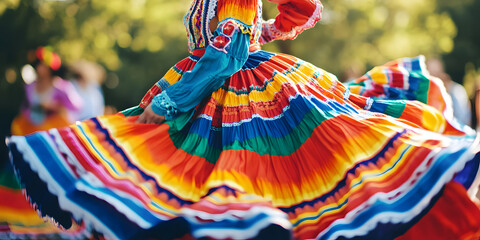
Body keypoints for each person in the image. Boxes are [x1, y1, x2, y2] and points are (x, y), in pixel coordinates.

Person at [6, 1, 480, 240]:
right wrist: (267, 29)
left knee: (252, 181)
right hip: (223, 77)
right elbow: (287, 14)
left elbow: (225, 53)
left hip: (233, 84)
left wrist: (169, 103)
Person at [10, 47, 83, 136]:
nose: (39, 68)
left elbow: (77, 106)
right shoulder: (30, 86)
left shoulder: (61, 86)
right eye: (38, 64)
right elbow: (24, 109)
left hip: (54, 131)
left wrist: (56, 106)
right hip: (32, 128)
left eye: (42, 65)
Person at [426, 57, 472, 126]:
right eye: (431, 75)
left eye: (436, 74)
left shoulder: (457, 91)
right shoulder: (425, 93)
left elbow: (462, 120)